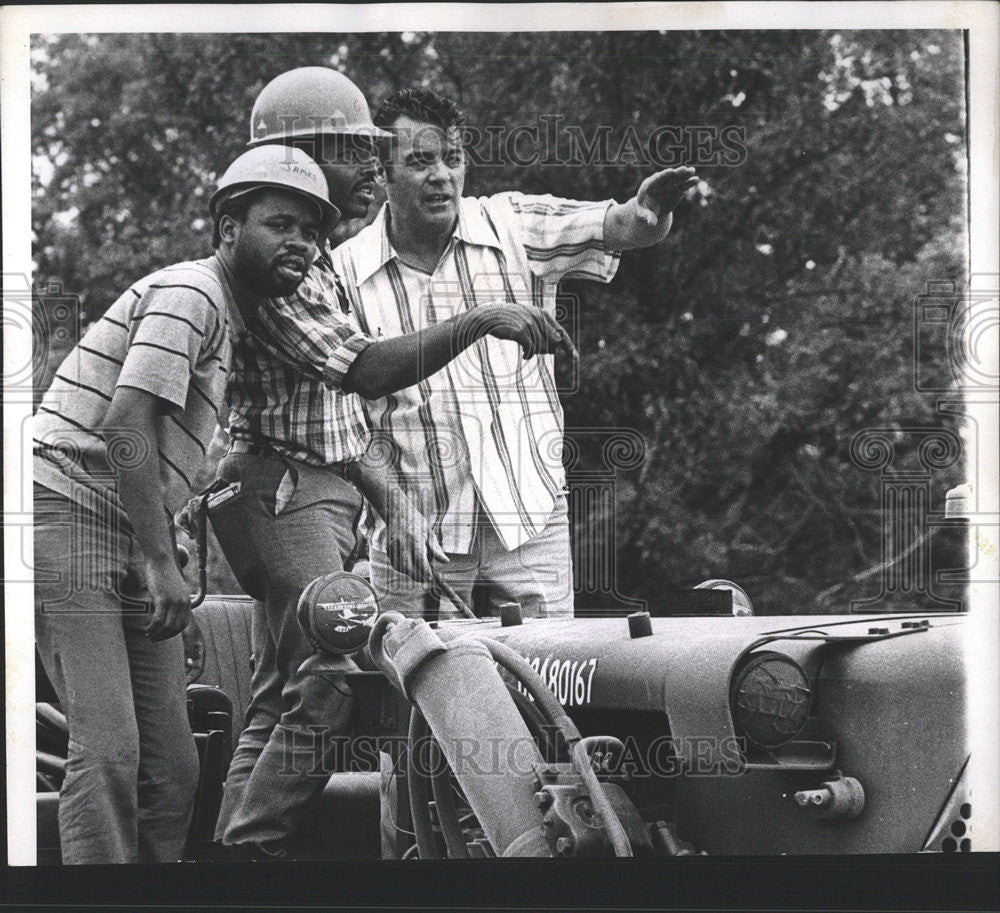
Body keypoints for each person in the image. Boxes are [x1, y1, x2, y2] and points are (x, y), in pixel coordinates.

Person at [211, 68, 573, 859]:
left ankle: (230, 855)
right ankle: (250, 853)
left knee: (282, 694)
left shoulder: (307, 251)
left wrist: (397, 509)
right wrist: (479, 318)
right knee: (337, 669)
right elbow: (367, 374)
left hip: (294, 487)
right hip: (282, 493)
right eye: (353, 151)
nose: (371, 168)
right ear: (298, 156)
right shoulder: (288, 268)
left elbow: (341, 423)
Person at [32, 144, 338, 864]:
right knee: (107, 750)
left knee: (174, 765)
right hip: (67, 511)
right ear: (228, 229)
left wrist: (166, 545)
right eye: (281, 223)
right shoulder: (194, 294)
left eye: (312, 232)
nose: (301, 243)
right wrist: (158, 557)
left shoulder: (233, 319)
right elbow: (125, 423)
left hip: (123, 521)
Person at [332, 88, 699, 620]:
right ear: (383, 174)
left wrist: (648, 211)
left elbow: (615, 224)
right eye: (420, 162)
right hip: (415, 531)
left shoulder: (512, 223)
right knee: (419, 692)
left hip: (529, 515)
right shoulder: (343, 273)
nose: (442, 176)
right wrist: (395, 512)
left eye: (452, 159)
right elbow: (343, 422)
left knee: (549, 679)